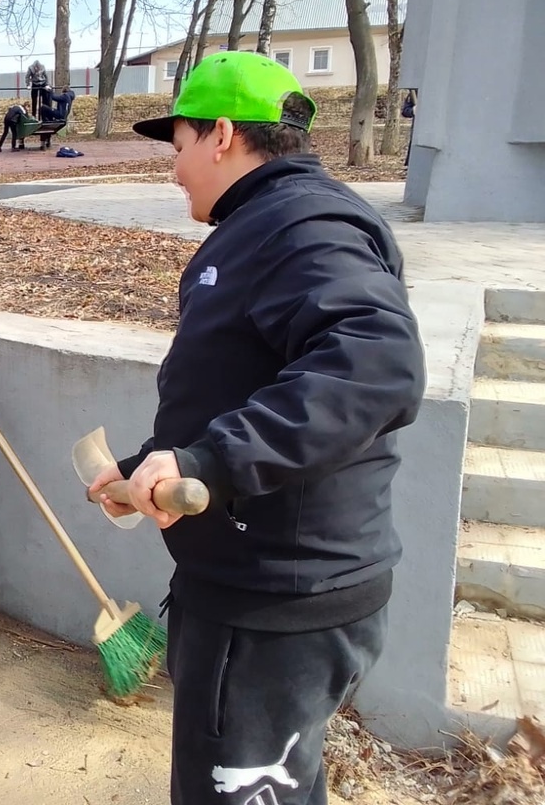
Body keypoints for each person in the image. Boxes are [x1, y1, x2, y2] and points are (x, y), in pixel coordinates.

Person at [86, 51, 426, 805]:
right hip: (270, 584)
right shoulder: (272, 226)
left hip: (276, 605)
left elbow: (377, 363)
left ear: (223, 135)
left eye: (177, 147)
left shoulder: (297, 227)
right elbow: (249, 384)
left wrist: (211, 463)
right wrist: (157, 463)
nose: (174, 171)